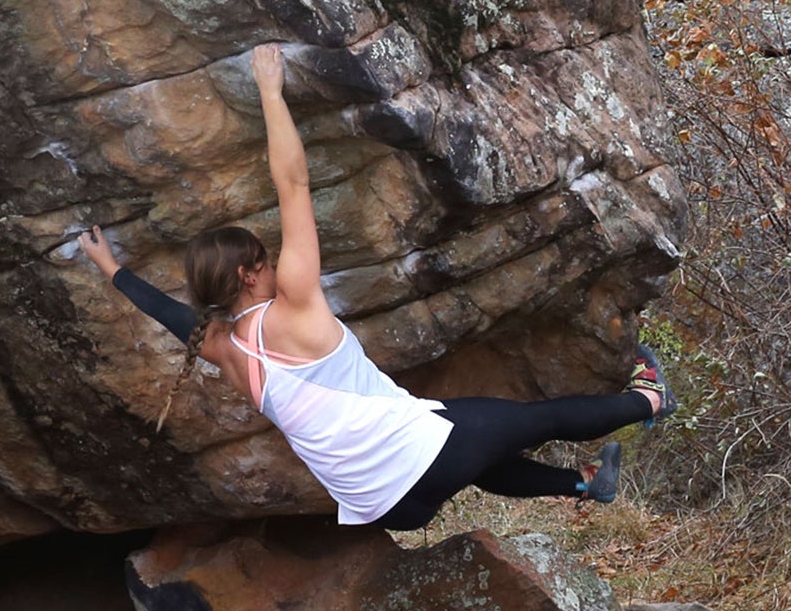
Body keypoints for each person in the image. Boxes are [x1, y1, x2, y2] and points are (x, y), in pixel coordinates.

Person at [76, 44, 673, 531]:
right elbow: (293, 185)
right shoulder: (292, 303)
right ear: (248, 274)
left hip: (387, 505)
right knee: (538, 420)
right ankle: (650, 400)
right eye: (263, 258)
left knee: (474, 448)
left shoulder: (223, 348)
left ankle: (583, 483)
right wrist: (269, 92)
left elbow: (167, 315)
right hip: (410, 462)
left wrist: (111, 269)